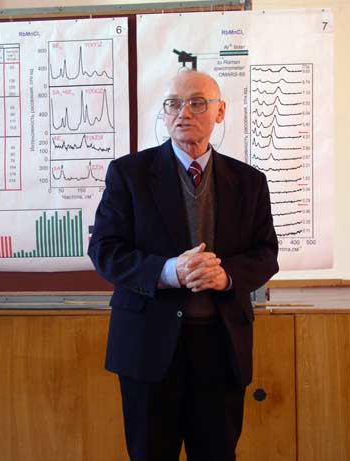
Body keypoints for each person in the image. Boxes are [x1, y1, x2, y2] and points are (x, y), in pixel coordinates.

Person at [88, 70, 279, 461]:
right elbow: (104, 250)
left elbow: (266, 253)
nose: (183, 113)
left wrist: (226, 276)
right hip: (148, 347)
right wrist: (167, 270)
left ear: (220, 112)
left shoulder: (249, 181)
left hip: (221, 348)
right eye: (173, 104)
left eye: (197, 103)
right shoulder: (129, 174)